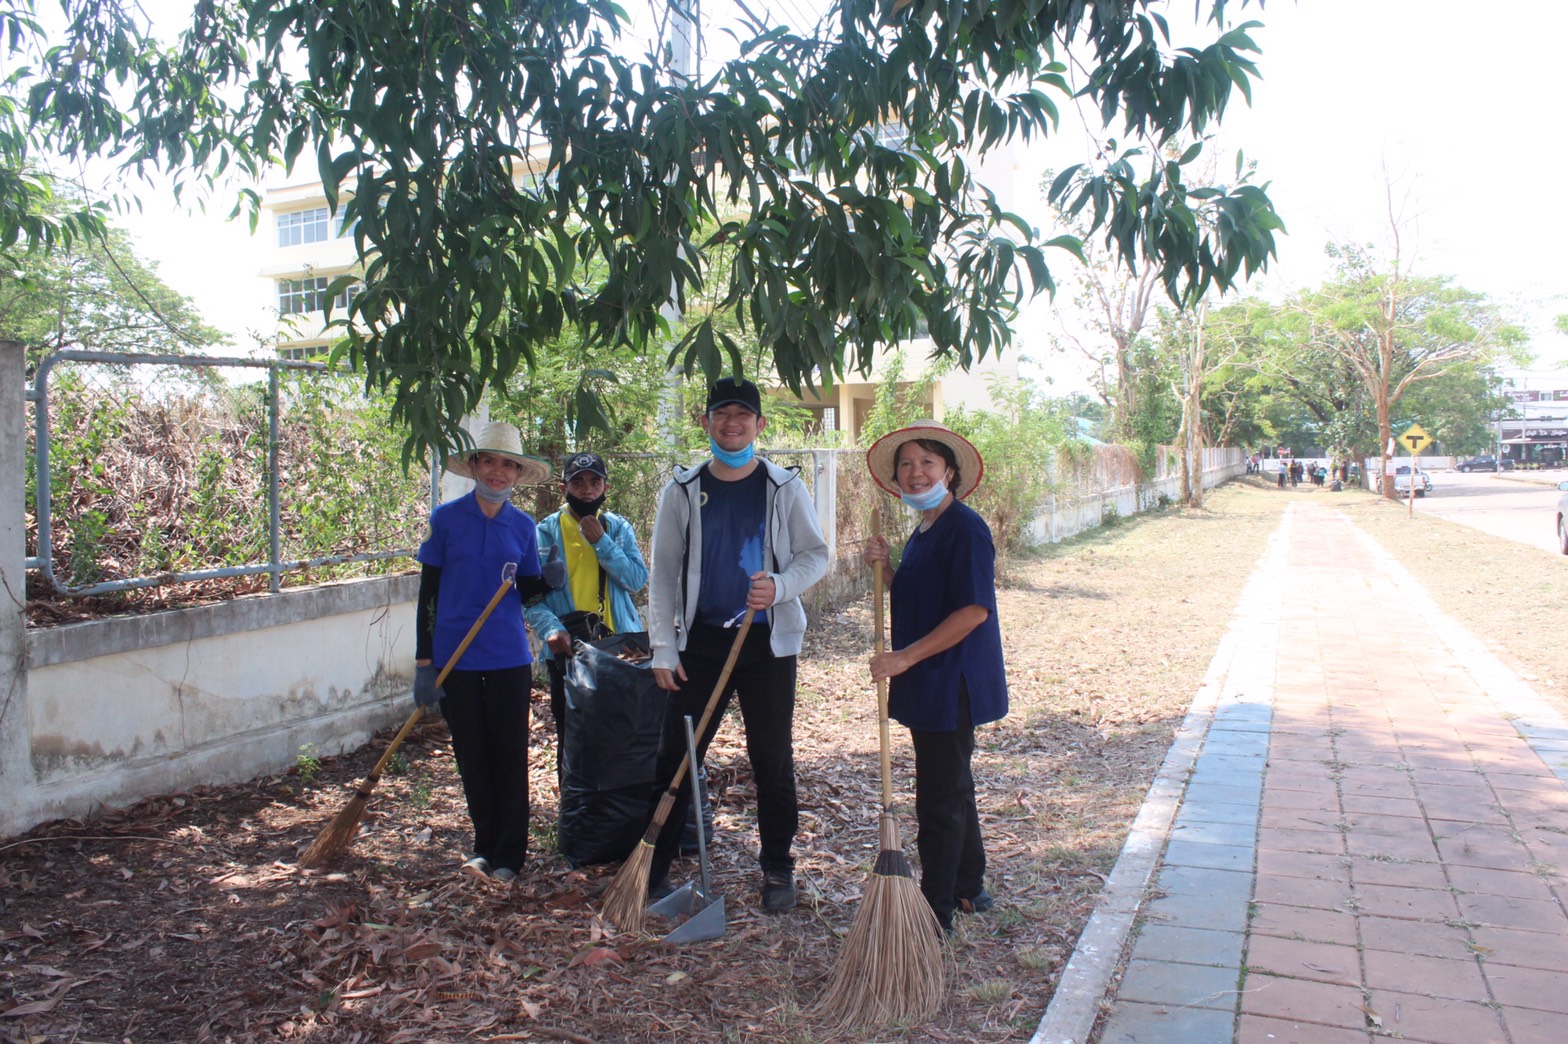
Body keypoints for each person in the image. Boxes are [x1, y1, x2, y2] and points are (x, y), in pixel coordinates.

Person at [644, 376, 830, 912]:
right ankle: (652, 870)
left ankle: (777, 867)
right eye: (721, 415)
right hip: (699, 644)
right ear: (704, 423)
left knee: (771, 757)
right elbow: (662, 574)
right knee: (677, 756)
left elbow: (815, 555)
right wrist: (663, 647)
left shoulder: (783, 487)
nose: (732, 424)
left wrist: (780, 587)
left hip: (767, 645)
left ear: (759, 425)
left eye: (742, 416)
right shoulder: (682, 490)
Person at [862, 419, 1008, 935]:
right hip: (929, 678)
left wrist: (903, 658)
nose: (916, 472)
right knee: (953, 784)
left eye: (927, 462)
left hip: (953, 681)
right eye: (906, 464)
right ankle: (969, 886)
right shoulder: (923, 531)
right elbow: (921, 598)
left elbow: (972, 612)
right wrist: (887, 570)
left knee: (939, 798)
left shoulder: (966, 528)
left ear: (950, 470)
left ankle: (936, 910)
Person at [413, 421, 558, 884]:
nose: (498, 472)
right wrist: (423, 661)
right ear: (474, 465)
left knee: (508, 755)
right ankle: (483, 846)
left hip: (507, 657)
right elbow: (428, 595)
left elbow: (530, 594)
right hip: (454, 657)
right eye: (490, 461)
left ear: (518, 474)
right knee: (471, 754)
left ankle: (510, 855)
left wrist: (546, 581)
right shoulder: (447, 519)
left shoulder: (523, 526)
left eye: (509, 465)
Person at [525, 452, 649, 761]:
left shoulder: (618, 529)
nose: (587, 489)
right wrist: (551, 629)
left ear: (606, 488)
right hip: (568, 652)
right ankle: (575, 807)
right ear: (562, 488)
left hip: (620, 650)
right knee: (573, 741)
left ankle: (620, 807)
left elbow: (636, 580)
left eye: (595, 482)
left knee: (624, 737)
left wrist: (602, 542)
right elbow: (529, 597)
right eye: (578, 482)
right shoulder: (543, 533)